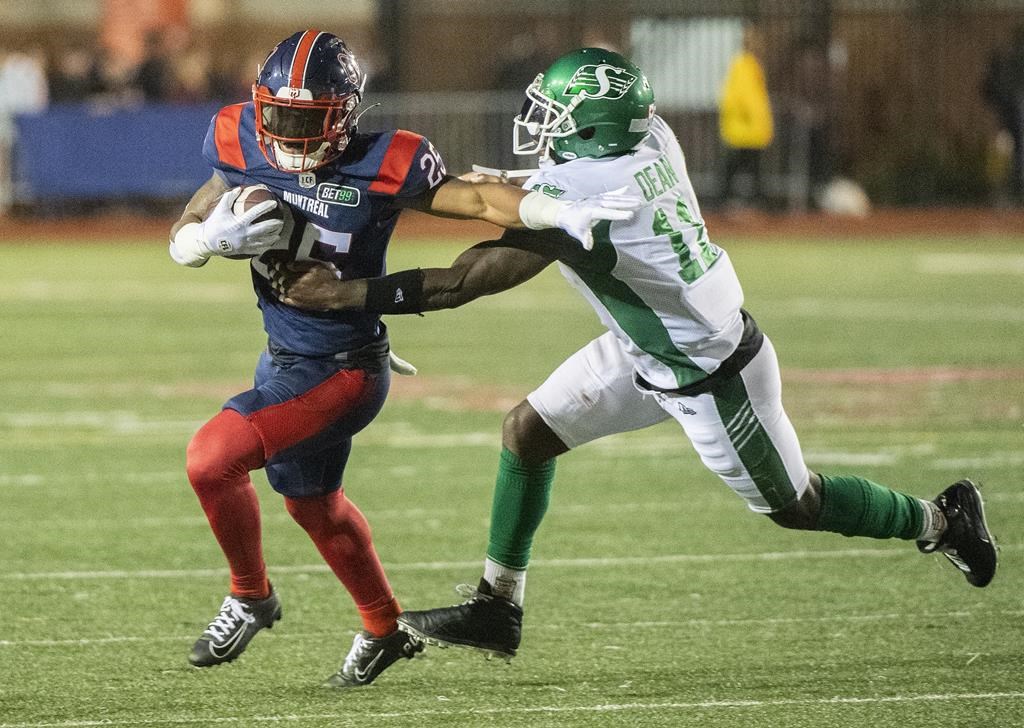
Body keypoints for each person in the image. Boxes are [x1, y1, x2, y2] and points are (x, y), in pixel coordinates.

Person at [271, 47, 999, 662]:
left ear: (592, 130)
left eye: (555, 118)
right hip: (645, 347)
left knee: (795, 505)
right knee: (527, 430)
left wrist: (349, 295)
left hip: (709, 375)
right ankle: (498, 606)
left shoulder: (594, 193)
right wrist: (516, 186)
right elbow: (556, 179)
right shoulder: (649, 139)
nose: (539, 128)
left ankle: (939, 520)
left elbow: (465, 280)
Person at [168, 32, 638, 687]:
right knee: (314, 507)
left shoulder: (385, 162)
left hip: (345, 367)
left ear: (344, 115)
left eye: (308, 119)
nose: (288, 132)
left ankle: (250, 594)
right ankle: (384, 631)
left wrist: (551, 207)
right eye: (278, 115)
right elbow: (194, 211)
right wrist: (199, 241)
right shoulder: (238, 135)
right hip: (284, 355)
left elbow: (475, 198)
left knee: (210, 459)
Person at [718, 24, 774, 209]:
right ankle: (730, 200)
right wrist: (756, 121)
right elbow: (744, 98)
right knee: (740, 167)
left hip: (750, 129)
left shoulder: (751, 64)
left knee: (746, 168)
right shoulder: (744, 64)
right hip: (745, 129)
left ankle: (743, 199)